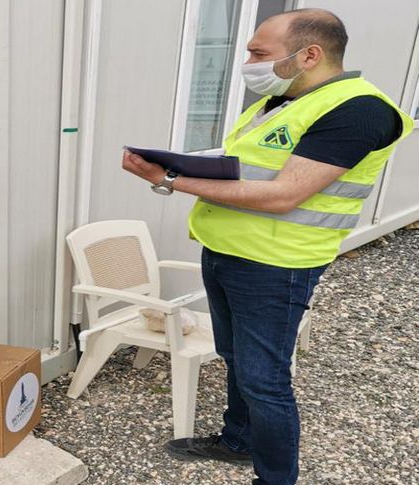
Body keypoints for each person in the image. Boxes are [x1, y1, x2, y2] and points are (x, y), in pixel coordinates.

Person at [122, 9, 413, 485]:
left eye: (259, 53)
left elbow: (284, 195)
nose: (248, 63)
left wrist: (170, 178)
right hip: (228, 252)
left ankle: (274, 478)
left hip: (276, 265)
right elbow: (248, 166)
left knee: (265, 380)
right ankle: (237, 441)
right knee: (235, 356)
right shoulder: (282, 101)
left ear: (310, 54)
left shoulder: (359, 110)